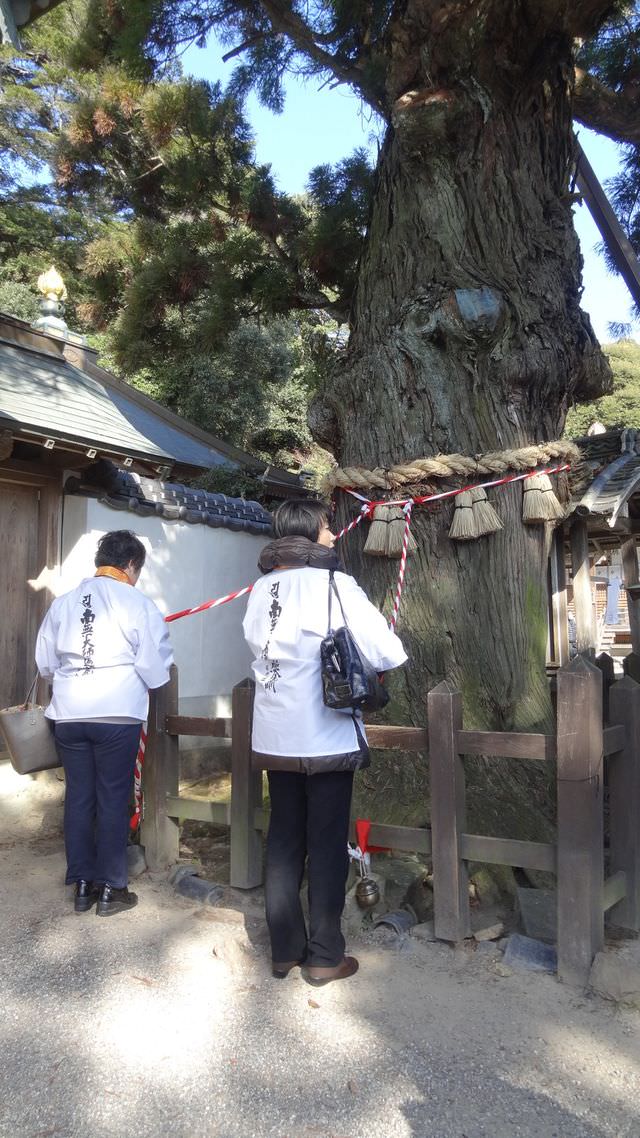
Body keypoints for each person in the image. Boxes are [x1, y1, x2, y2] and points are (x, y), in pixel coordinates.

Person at [242, 499, 407, 986]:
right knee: (327, 842)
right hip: (326, 733)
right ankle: (324, 955)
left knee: (284, 839)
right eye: (328, 527)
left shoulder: (259, 589)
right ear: (312, 533)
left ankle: (283, 950)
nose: (334, 535)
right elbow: (388, 651)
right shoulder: (334, 583)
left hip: (275, 732)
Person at [35, 530, 173, 916]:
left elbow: (45, 663)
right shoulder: (137, 602)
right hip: (116, 713)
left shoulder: (62, 604)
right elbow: (154, 668)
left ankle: (81, 884)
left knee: (79, 795)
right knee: (112, 797)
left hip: (69, 714)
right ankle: (112, 888)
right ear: (131, 565)